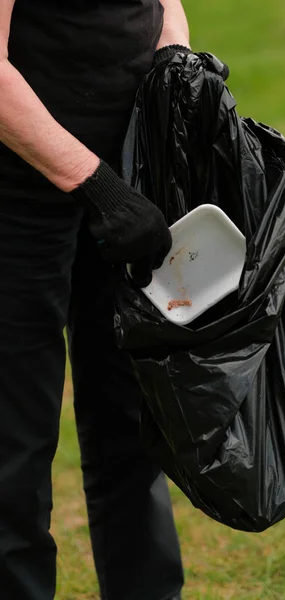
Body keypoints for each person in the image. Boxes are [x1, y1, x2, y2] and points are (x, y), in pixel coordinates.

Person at [0, 1, 195, 598]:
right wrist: (95, 185)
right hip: (18, 194)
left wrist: (177, 62)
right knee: (13, 444)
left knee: (132, 420)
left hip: (127, 179)